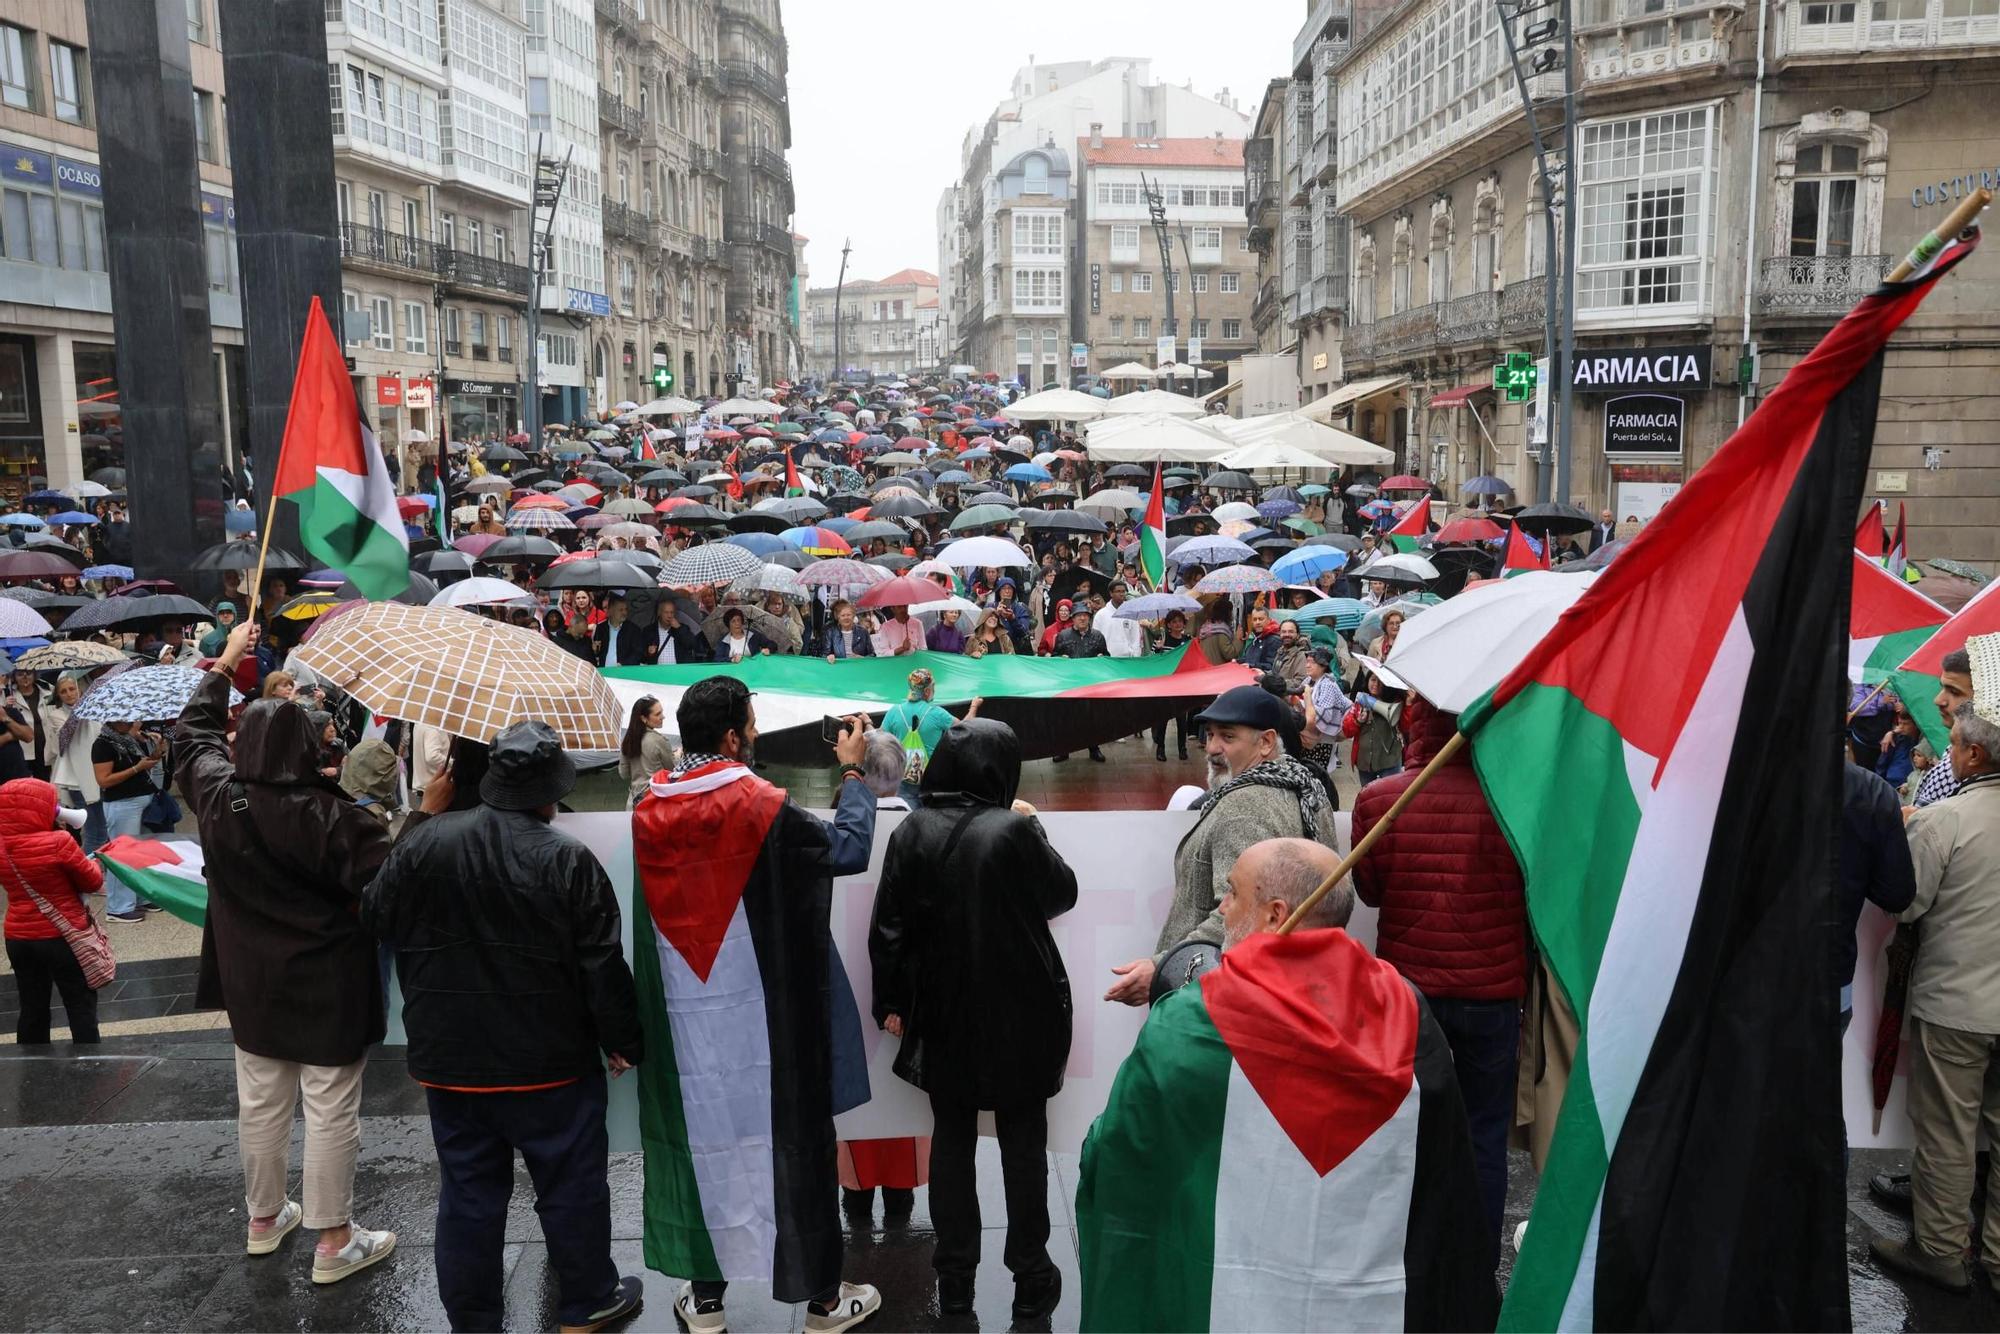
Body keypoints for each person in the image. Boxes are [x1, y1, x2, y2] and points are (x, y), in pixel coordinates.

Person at [1078, 836, 1497, 1332]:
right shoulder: (1409, 1012)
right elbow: (1443, 1176)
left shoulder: (1190, 1024)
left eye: (1232, 892)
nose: (1221, 905)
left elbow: (1120, 1154)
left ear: (1276, 914)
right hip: (1365, 1300)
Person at [363, 720, 645, 1334]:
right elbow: (601, 963)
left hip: (450, 1060)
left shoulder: (425, 844)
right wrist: (622, 1038)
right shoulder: (568, 858)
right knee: (571, 1186)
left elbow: (374, 914)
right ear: (549, 792)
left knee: (468, 1196)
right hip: (551, 1061)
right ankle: (587, 1300)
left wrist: (418, 819)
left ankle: (475, 1320)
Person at [631, 678, 882, 1334]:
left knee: (711, 1142)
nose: (759, 733)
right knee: (796, 1146)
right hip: (771, 1017)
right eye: (754, 723)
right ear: (734, 736)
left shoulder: (650, 808)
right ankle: (825, 1301)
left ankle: (706, 1302)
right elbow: (846, 849)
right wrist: (851, 771)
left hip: (694, 1028)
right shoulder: (757, 804)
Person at [174, 623, 398, 1285]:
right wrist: (421, 816)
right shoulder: (337, 817)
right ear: (307, 749)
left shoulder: (217, 796)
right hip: (328, 982)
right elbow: (396, 884)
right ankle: (335, 1239)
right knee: (330, 1106)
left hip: (250, 982)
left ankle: (264, 1219)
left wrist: (231, 660)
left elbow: (192, 732)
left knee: (262, 1103)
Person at [868, 719, 1075, 1320]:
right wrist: (1033, 821)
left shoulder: (910, 830)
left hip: (943, 1008)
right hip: (1022, 1010)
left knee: (951, 1143)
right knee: (1023, 1144)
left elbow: (889, 929)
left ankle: (955, 1277)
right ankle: (1031, 1268)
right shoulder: (1012, 829)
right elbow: (1062, 892)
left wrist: (891, 1002)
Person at [1351, 691, 1527, 1268]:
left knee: (1407, 1132)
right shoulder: (1517, 801)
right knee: (1482, 1132)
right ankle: (1475, 1272)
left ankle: (1411, 1265)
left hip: (1408, 997)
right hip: (1492, 997)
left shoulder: (1380, 801)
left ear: (1413, 723)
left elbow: (1371, 891)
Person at [1870, 699, 2000, 1292]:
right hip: (1971, 1004)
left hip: (1958, 1005)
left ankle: (1942, 1250)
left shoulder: (1946, 819)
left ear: (1975, 756)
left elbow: (1909, 901)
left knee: (1948, 1134)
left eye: (1952, 743)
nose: (1946, 750)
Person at [1105, 685, 1336, 1005]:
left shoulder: (1244, 806)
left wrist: (1162, 969)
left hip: (1221, 997)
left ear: (1266, 742)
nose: (1212, 747)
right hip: (1294, 983)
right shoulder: (1305, 786)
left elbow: (1238, 916)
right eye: (1210, 735)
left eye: (1227, 737)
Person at [0, 778, 102, 1045]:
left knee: (32, 1007)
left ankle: (33, 1068)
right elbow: (92, 881)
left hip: (18, 936)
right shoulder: (58, 842)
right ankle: (90, 1065)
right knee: (79, 1004)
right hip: (61, 935)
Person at [92, 717, 166, 922]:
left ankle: (140, 897)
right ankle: (118, 907)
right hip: (122, 803)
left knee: (139, 853)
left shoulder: (129, 740)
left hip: (140, 799)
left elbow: (143, 766)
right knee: (122, 855)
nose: (131, 722)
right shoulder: (103, 744)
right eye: (125, 719)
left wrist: (157, 752)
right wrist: (137, 768)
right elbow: (103, 779)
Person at [881, 669, 982, 806]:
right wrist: (974, 707)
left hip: (901, 778)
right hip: (931, 780)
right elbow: (965, 728)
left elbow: (880, 740)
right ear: (927, 692)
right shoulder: (937, 714)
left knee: (906, 818)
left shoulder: (894, 711)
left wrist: (868, 723)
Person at [618, 695, 676, 804]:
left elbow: (624, 774)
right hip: (656, 801)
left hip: (634, 801)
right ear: (643, 718)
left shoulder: (627, 740)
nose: (663, 717)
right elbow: (673, 769)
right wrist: (677, 756)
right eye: (658, 714)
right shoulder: (659, 741)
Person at [1353, 669, 1406, 783]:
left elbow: (1406, 725)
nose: (1376, 684)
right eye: (1373, 680)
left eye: (1380, 682)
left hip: (1389, 761)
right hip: (1365, 762)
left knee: (1390, 796)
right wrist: (1358, 721)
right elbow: (1346, 730)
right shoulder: (1360, 702)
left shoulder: (1395, 702)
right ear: (1367, 681)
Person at [642, 597, 709, 665]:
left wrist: (679, 628)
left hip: (678, 670)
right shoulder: (649, 631)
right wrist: (649, 653)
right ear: (659, 613)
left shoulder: (682, 628)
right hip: (658, 671)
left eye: (672, 612)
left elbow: (692, 644)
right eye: (666, 612)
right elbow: (641, 655)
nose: (669, 615)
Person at [10, 666, 48, 781]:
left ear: (35, 675)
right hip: (23, 749)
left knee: (45, 783)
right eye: (20, 674)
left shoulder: (47, 691)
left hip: (46, 748)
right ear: (14, 677)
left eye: (29, 673)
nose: (25, 677)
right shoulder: (8, 695)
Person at [1093, 580, 1147, 658]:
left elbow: (1135, 639)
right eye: (1118, 591)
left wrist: (1135, 656)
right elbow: (1095, 639)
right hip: (1107, 660)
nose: (1121, 594)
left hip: (1127, 660)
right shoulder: (1100, 615)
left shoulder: (1131, 613)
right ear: (1111, 593)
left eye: (1123, 591)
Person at [592, 593, 641, 669]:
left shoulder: (633, 630)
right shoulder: (600, 628)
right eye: (620, 610)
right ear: (611, 610)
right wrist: (595, 650)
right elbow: (597, 653)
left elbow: (637, 653)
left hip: (623, 673)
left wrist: (624, 664)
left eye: (626, 609)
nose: (624, 613)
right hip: (603, 672)